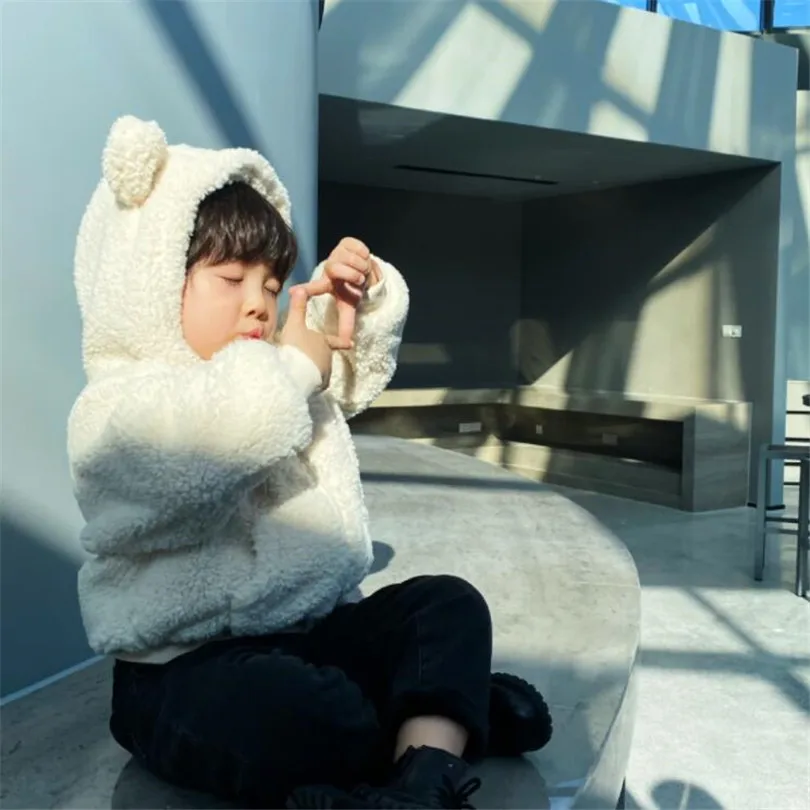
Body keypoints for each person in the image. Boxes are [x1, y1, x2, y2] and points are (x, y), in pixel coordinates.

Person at [67, 116, 552, 810]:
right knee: (298, 711)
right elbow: (214, 439)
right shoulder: (115, 408)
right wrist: (293, 368)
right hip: (179, 672)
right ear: (148, 283)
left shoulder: (273, 373)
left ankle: (422, 779)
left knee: (447, 606)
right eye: (231, 278)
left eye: (271, 285)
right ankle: (436, 713)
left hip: (305, 635)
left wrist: (350, 310)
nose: (257, 305)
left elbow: (337, 383)